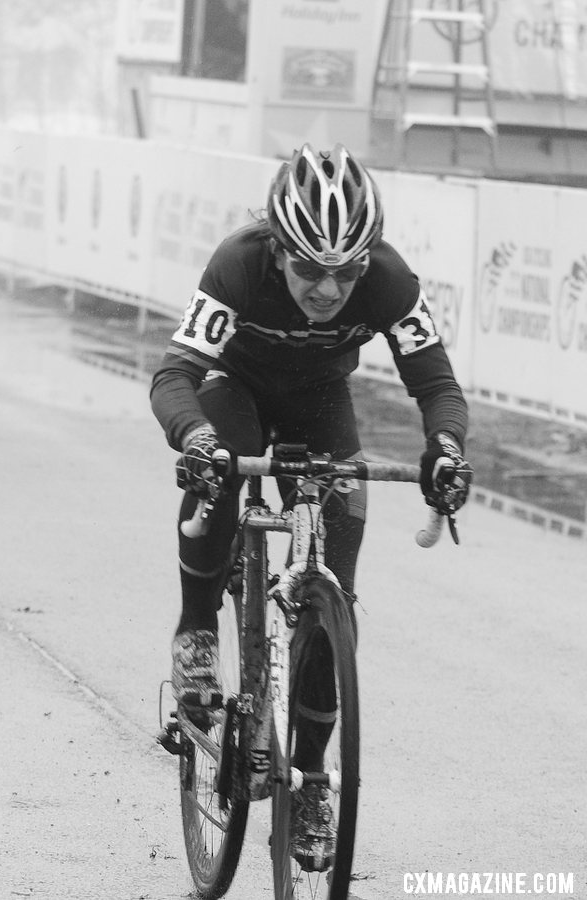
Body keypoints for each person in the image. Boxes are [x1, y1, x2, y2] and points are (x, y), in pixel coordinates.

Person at [150, 143, 472, 861]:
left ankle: (311, 779)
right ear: (278, 246)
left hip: (322, 399)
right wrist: (196, 439)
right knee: (221, 475)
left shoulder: (389, 280)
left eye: (347, 271)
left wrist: (446, 448)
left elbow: (436, 385)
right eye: (309, 269)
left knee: (338, 590)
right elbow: (175, 373)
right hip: (232, 390)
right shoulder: (239, 262)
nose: (329, 288)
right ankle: (199, 629)